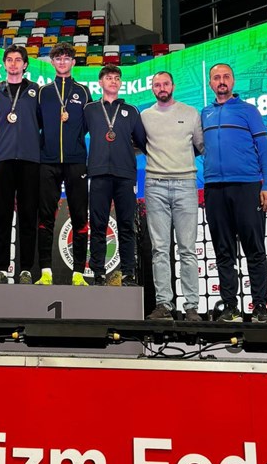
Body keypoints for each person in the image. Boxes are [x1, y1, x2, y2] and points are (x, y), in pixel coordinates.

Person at [201, 63, 267, 323]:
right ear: (210, 83)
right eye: (216, 77)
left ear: (232, 81)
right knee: (223, 251)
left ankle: (260, 307)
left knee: (254, 249)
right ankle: (230, 307)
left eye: (226, 77)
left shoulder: (249, 110)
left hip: (247, 186)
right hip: (214, 189)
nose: (221, 81)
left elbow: (264, 150)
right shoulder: (205, 113)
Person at [141, 71, 204, 322]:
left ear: (173, 86)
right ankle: (164, 304)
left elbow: (201, 146)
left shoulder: (190, 113)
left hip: (185, 184)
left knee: (188, 249)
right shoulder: (145, 116)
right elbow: (138, 145)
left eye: (165, 83)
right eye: (157, 85)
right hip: (155, 185)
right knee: (159, 249)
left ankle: (192, 307)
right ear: (153, 89)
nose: (162, 88)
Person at [84, 65, 147, 286]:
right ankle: (98, 273)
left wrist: (125, 150)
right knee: (98, 225)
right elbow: (75, 135)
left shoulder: (131, 110)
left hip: (125, 175)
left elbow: (143, 142)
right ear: (100, 83)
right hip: (98, 173)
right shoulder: (90, 109)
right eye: (109, 77)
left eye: (117, 78)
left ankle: (128, 272)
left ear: (120, 83)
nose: (113, 81)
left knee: (126, 225)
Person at [0, 44, 40, 283]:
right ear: (4, 64)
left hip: (30, 160)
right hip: (3, 159)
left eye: (18, 60)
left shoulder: (36, 90)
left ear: (25, 64)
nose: (14, 63)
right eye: (10, 59)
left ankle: (26, 269)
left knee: (28, 216)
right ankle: (2, 269)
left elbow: (43, 124)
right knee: (2, 217)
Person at [37, 43, 92, 286]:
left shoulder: (83, 91)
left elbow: (88, 124)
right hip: (47, 161)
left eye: (66, 58)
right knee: (45, 216)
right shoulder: (43, 92)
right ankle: (45, 271)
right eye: (58, 58)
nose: (62, 62)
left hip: (76, 161)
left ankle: (78, 272)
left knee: (79, 215)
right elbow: (38, 123)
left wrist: (74, 139)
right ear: (52, 62)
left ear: (73, 62)